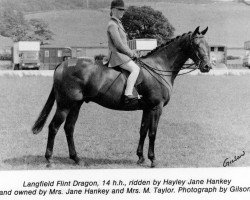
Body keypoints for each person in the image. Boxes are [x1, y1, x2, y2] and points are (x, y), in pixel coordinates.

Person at [107, 0, 140, 105]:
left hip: (122, 55)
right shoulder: (112, 24)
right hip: (117, 55)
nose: (122, 12)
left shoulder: (118, 24)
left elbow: (124, 44)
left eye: (123, 10)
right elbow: (118, 44)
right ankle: (128, 94)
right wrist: (131, 54)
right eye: (119, 10)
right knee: (135, 69)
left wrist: (132, 51)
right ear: (113, 10)